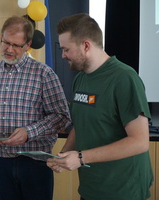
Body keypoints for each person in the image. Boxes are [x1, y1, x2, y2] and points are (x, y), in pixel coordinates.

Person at [47, 13, 153, 200]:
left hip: (124, 190)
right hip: (91, 187)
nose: (63, 55)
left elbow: (140, 142)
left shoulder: (124, 78)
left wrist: (80, 158)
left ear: (86, 45)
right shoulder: (80, 78)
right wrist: (63, 155)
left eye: (66, 49)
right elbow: (82, 125)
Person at [0, 16, 71, 200]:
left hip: (35, 164)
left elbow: (61, 116)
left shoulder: (44, 74)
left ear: (27, 45)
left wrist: (29, 132)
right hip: (1, 161)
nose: (9, 49)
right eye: (5, 42)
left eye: (16, 45)